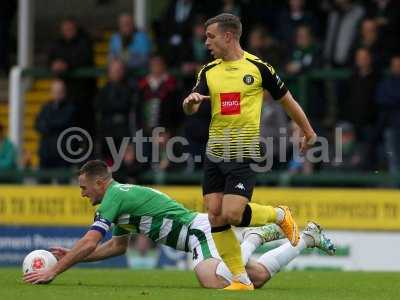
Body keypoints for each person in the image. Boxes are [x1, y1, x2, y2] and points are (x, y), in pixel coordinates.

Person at [23, 160, 335, 287]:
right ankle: (307, 239)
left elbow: (90, 241)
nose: (82, 193)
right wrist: (72, 255)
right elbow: (115, 247)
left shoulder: (113, 197)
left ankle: (253, 236)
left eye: (84, 187)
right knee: (257, 277)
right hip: (196, 234)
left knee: (210, 280)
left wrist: (55, 269)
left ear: (101, 183)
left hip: (198, 231)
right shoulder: (117, 202)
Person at [182, 13, 317, 290]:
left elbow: (288, 101)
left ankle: (279, 215)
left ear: (229, 36)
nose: (206, 42)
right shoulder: (208, 71)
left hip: (243, 151)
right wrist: (191, 103)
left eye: (211, 36)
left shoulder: (258, 68)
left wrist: (308, 131)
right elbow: (190, 105)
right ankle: (241, 280)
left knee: (232, 213)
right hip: (214, 153)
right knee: (215, 214)